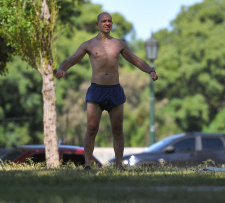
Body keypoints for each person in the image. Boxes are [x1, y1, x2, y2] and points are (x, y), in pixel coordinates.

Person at [56, 12, 158, 169]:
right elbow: (72, 59)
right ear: (97, 24)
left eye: (110, 21)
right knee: (91, 128)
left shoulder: (119, 44)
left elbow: (135, 59)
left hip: (114, 90)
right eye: (104, 21)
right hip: (96, 90)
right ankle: (88, 164)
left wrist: (150, 70)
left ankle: (118, 165)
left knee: (117, 129)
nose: (107, 23)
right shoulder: (88, 45)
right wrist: (62, 69)